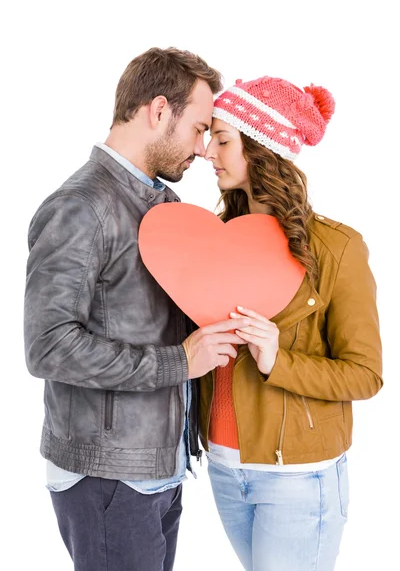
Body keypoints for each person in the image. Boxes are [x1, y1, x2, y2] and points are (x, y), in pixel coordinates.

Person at [23, 47, 251, 571]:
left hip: (159, 467)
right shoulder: (81, 206)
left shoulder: (163, 206)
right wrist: (179, 363)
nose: (201, 149)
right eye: (197, 129)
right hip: (109, 477)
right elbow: (47, 345)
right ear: (158, 111)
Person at [200, 76, 383, 571]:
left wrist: (278, 360)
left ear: (260, 149)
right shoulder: (214, 241)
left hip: (297, 479)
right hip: (224, 467)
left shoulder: (337, 248)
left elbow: (365, 375)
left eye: (221, 140)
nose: (206, 152)